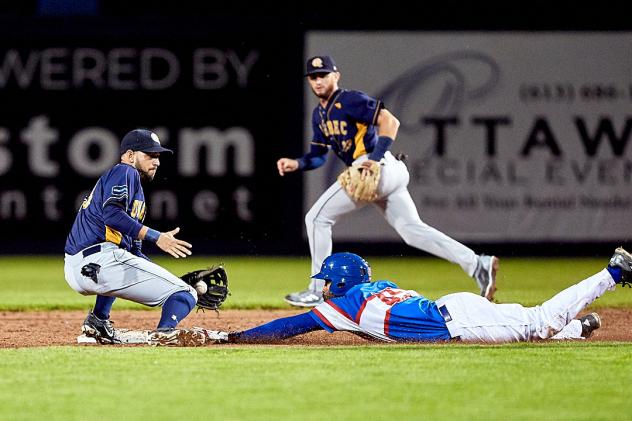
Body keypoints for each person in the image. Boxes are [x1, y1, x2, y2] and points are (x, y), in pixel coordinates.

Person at [277, 55, 498, 308]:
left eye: (323, 75)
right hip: (386, 170)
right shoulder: (319, 115)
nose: (318, 80)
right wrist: (297, 163)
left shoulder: (350, 100)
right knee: (412, 231)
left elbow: (390, 122)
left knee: (316, 219)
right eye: (313, 77)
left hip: (374, 166)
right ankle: (477, 264)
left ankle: (317, 290)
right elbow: (318, 157)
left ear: (335, 76)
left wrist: (375, 158)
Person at [215, 249, 632, 344]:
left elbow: (289, 326)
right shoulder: (374, 287)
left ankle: (614, 271)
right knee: (526, 335)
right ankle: (579, 328)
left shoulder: (344, 305)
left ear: (339, 282)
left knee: (540, 321)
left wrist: (239, 337)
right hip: (455, 310)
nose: (322, 286)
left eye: (326, 280)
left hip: (456, 320)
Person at [64, 129, 198, 344]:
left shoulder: (137, 198)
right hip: (100, 260)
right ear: (129, 156)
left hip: (83, 266)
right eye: (150, 155)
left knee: (175, 286)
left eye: (158, 157)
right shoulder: (125, 171)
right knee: (187, 295)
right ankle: (165, 334)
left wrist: (173, 280)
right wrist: (157, 237)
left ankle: (97, 321)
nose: (157, 162)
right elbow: (112, 215)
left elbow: (133, 255)